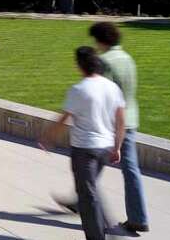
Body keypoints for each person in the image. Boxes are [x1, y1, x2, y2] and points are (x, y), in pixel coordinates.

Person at [40, 47, 125, 240]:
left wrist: (48, 138)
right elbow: (121, 120)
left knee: (88, 198)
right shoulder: (112, 88)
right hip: (105, 148)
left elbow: (64, 119)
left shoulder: (78, 90)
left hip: (84, 151)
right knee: (89, 190)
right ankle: (110, 231)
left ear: (79, 66)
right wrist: (117, 146)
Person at [87, 22, 148, 233]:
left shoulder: (104, 62)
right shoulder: (127, 58)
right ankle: (138, 217)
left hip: (112, 123)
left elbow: (103, 95)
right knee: (130, 170)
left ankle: (82, 200)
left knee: (89, 164)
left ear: (101, 40)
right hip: (131, 118)